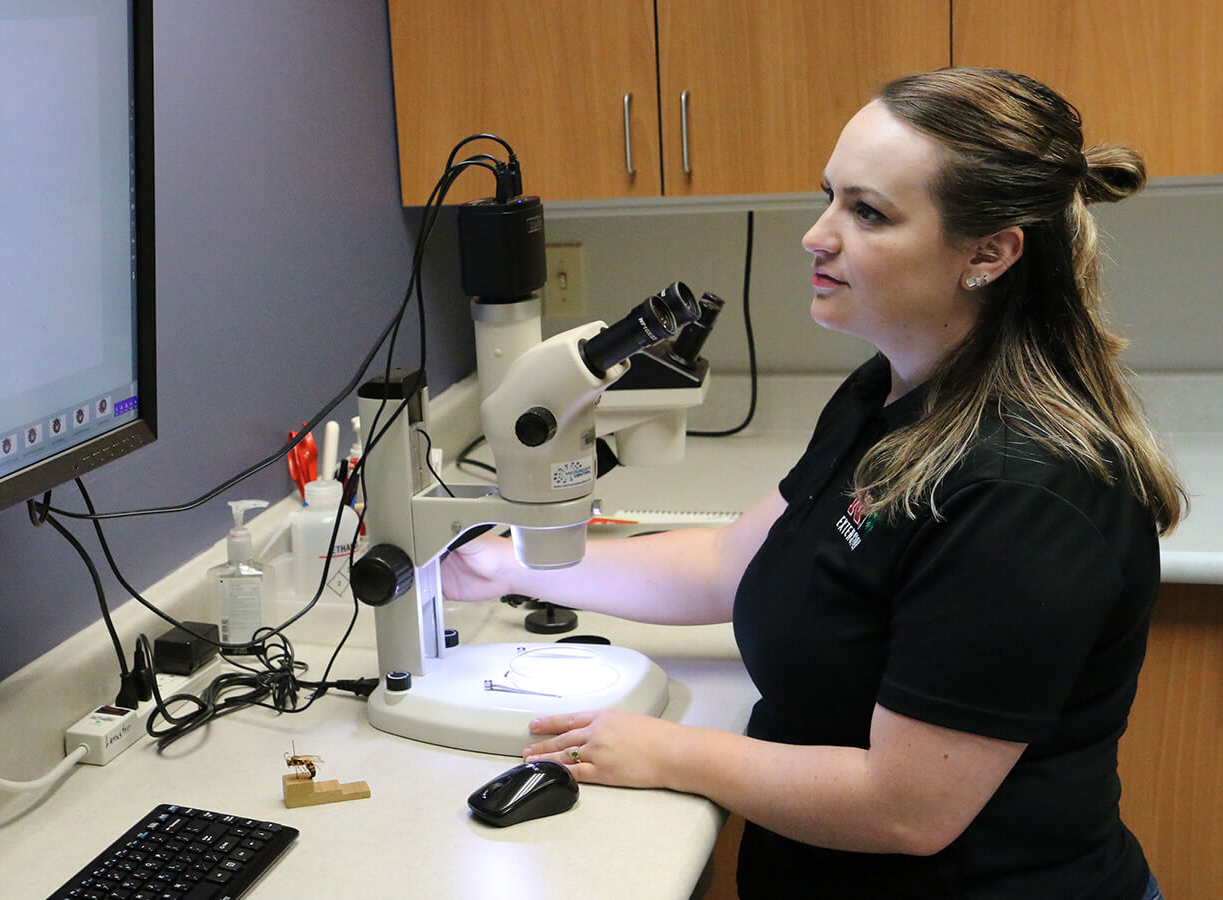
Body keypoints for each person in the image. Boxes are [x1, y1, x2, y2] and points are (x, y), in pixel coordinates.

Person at [442, 67, 1185, 900]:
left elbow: (908, 809)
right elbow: (732, 561)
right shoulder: (891, 392)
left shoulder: (1024, 493)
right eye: (829, 197)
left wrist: (667, 752)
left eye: (867, 212)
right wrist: (509, 562)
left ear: (989, 253)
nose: (817, 235)